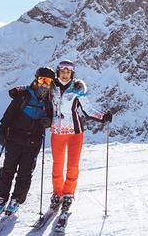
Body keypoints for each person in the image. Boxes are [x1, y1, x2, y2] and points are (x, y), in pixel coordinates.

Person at [48, 59, 112, 230]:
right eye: (62, 71)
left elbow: (88, 110)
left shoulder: (77, 89)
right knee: (57, 165)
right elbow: (42, 101)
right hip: (57, 132)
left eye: (68, 72)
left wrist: (102, 117)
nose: (65, 74)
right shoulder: (51, 88)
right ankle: (57, 193)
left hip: (75, 133)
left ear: (72, 74)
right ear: (58, 72)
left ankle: (68, 193)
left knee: (72, 166)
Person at [0, 66, 55, 217]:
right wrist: (2, 130)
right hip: (14, 139)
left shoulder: (50, 101)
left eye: (48, 81)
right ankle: (1, 199)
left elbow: (53, 119)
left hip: (33, 142)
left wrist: (48, 122)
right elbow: (9, 114)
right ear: (36, 79)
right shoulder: (24, 96)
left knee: (25, 173)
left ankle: (16, 200)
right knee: (8, 169)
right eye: (42, 80)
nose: (44, 84)